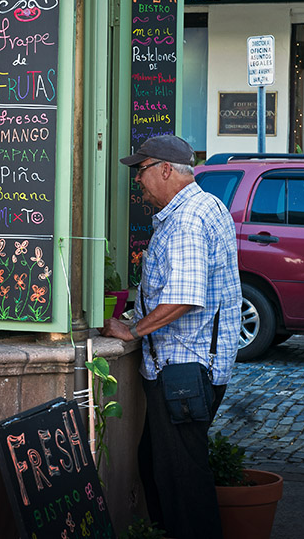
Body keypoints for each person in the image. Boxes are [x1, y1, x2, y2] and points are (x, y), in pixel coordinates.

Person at [99, 135, 241, 538]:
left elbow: (184, 297)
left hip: (184, 369)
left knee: (183, 487)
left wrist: (132, 329)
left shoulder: (186, 220)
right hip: (192, 366)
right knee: (159, 467)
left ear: (165, 170)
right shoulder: (204, 205)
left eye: (141, 172)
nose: (138, 182)